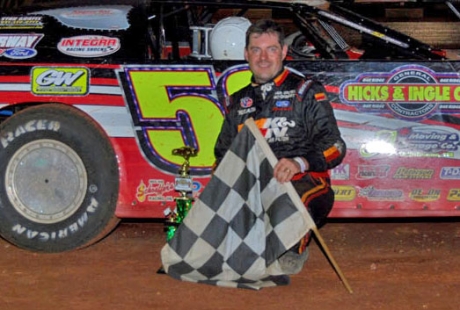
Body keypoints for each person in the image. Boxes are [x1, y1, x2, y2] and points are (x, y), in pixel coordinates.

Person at [213, 19, 346, 274]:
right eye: (256, 50)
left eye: (271, 49)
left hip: (305, 183)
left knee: (287, 204)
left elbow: (335, 146)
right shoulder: (238, 100)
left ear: (284, 52)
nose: (263, 58)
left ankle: (290, 249)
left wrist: (299, 163)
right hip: (257, 187)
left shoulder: (305, 91)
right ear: (246, 54)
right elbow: (222, 153)